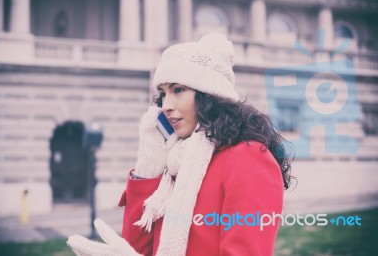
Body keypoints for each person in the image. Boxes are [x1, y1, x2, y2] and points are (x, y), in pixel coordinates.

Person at [67, 33, 293, 256]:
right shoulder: (174, 160)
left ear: (210, 95)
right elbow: (138, 247)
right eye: (163, 94)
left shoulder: (247, 158)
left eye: (178, 90)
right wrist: (148, 167)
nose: (166, 105)